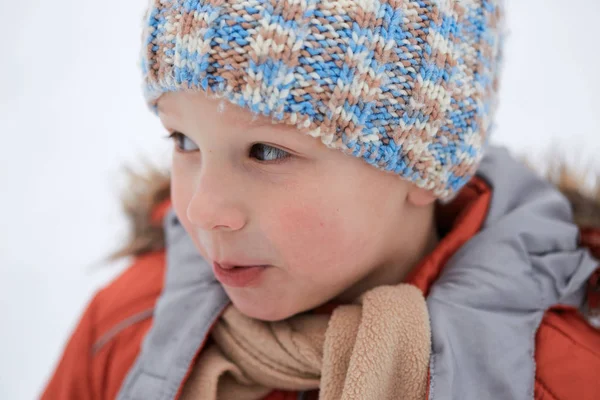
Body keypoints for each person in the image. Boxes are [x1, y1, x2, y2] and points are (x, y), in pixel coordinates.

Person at [41, 1, 600, 399]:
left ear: (424, 166)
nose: (204, 210)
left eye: (265, 152)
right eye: (184, 141)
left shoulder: (555, 377)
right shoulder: (126, 324)